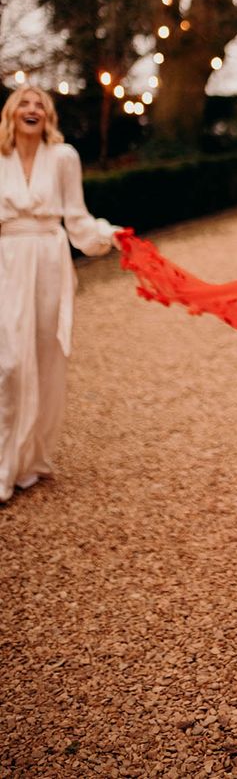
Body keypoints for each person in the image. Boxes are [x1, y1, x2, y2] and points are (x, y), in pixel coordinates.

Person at [0, 86, 120, 503]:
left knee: (46, 359)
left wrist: (107, 235)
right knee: (9, 363)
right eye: (24, 103)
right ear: (11, 113)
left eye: (40, 105)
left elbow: (78, 218)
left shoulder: (63, 157)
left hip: (50, 264)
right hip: (7, 263)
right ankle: (2, 466)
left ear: (48, 116)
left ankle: (30, 459)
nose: (32, 109)